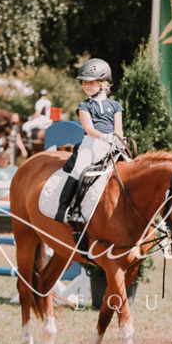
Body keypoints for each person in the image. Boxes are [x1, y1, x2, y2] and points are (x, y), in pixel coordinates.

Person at [56, 58, 124, 225]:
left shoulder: (115, 105)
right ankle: (66, 208)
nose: (86, 86)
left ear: (102, 83)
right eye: (84, 82)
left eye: (91, 82)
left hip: (112, 144)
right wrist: (104, 137)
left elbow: (118, 128)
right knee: (79, 169)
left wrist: (119, 140)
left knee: (129, 166)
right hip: (91, 143)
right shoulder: (84, 106)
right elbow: (89, 128)